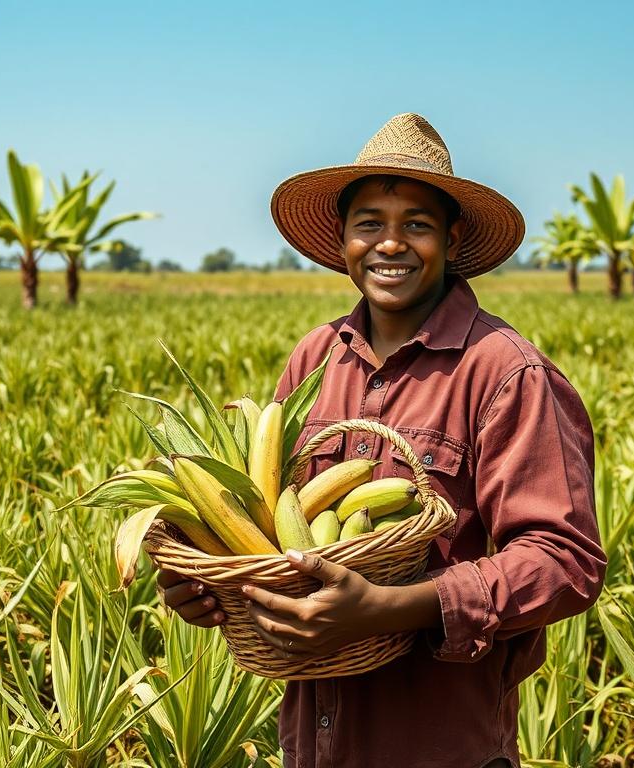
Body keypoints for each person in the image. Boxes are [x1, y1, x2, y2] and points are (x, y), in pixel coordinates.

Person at [156, 113, 606, 768]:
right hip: (315, 742)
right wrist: (212, 586)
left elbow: (564, 560)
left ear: (451, 240)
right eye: (369, 223)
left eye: (415, 225)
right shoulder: (314, 357)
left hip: (440, 744)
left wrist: (390, 609)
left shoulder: (506, 372)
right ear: (342, 240)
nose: (389, 244)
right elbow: (269, 511)